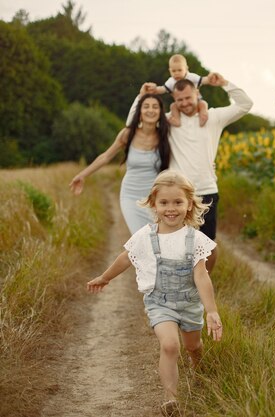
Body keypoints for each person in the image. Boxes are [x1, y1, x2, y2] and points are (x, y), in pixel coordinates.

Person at [86, 169, 223, 416]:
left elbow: (202, 276)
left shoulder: (196, 239)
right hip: (159, 303)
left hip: (190, 303)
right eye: (164, 203)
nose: (171, 208)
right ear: (154, 204)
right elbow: (126, 257)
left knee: (193, 345)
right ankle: (172, 400)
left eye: (178, 202)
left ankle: (199, 368)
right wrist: (105, 277)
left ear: (189, 204)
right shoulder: (146, 236)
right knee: (170, 345)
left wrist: (211, 310)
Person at [128, 71, 253, 274]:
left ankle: (201, 285)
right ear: (174, 101)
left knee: (208, 246)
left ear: (197, 93)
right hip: (177, 195)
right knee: (174, 246)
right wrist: (140, 97)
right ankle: (174, 288)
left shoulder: (213, 117)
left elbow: (245, 104)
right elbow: (135, 123)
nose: (185, 103)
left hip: (206, 190)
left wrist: (224, 83)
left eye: (188, 98)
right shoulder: (168, 121)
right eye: (180, 100)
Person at [70, 94, 171, 234]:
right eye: (146, 106)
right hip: (131, 196)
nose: (150, 110)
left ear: (160, 112)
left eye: (155, 107)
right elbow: (105, 157)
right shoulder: (127, 134)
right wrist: (82, 175)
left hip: (157, 198)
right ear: (140, 112)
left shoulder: (166, 135)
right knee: (140, 237)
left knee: (158, 239)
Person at [153, 54, 210, 127]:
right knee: (173, 106)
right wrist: (155, 89)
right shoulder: (171, 81)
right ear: (169, 71)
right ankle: (177, 120)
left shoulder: (191, 76)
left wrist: (209, 79)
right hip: (180, 104)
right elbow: (163, 89)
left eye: (179, 70)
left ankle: (203, 116)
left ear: (186, 69)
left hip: (196, 100)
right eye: (173, 71)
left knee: (203, 104)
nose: (176, 73)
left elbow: (202, 80)